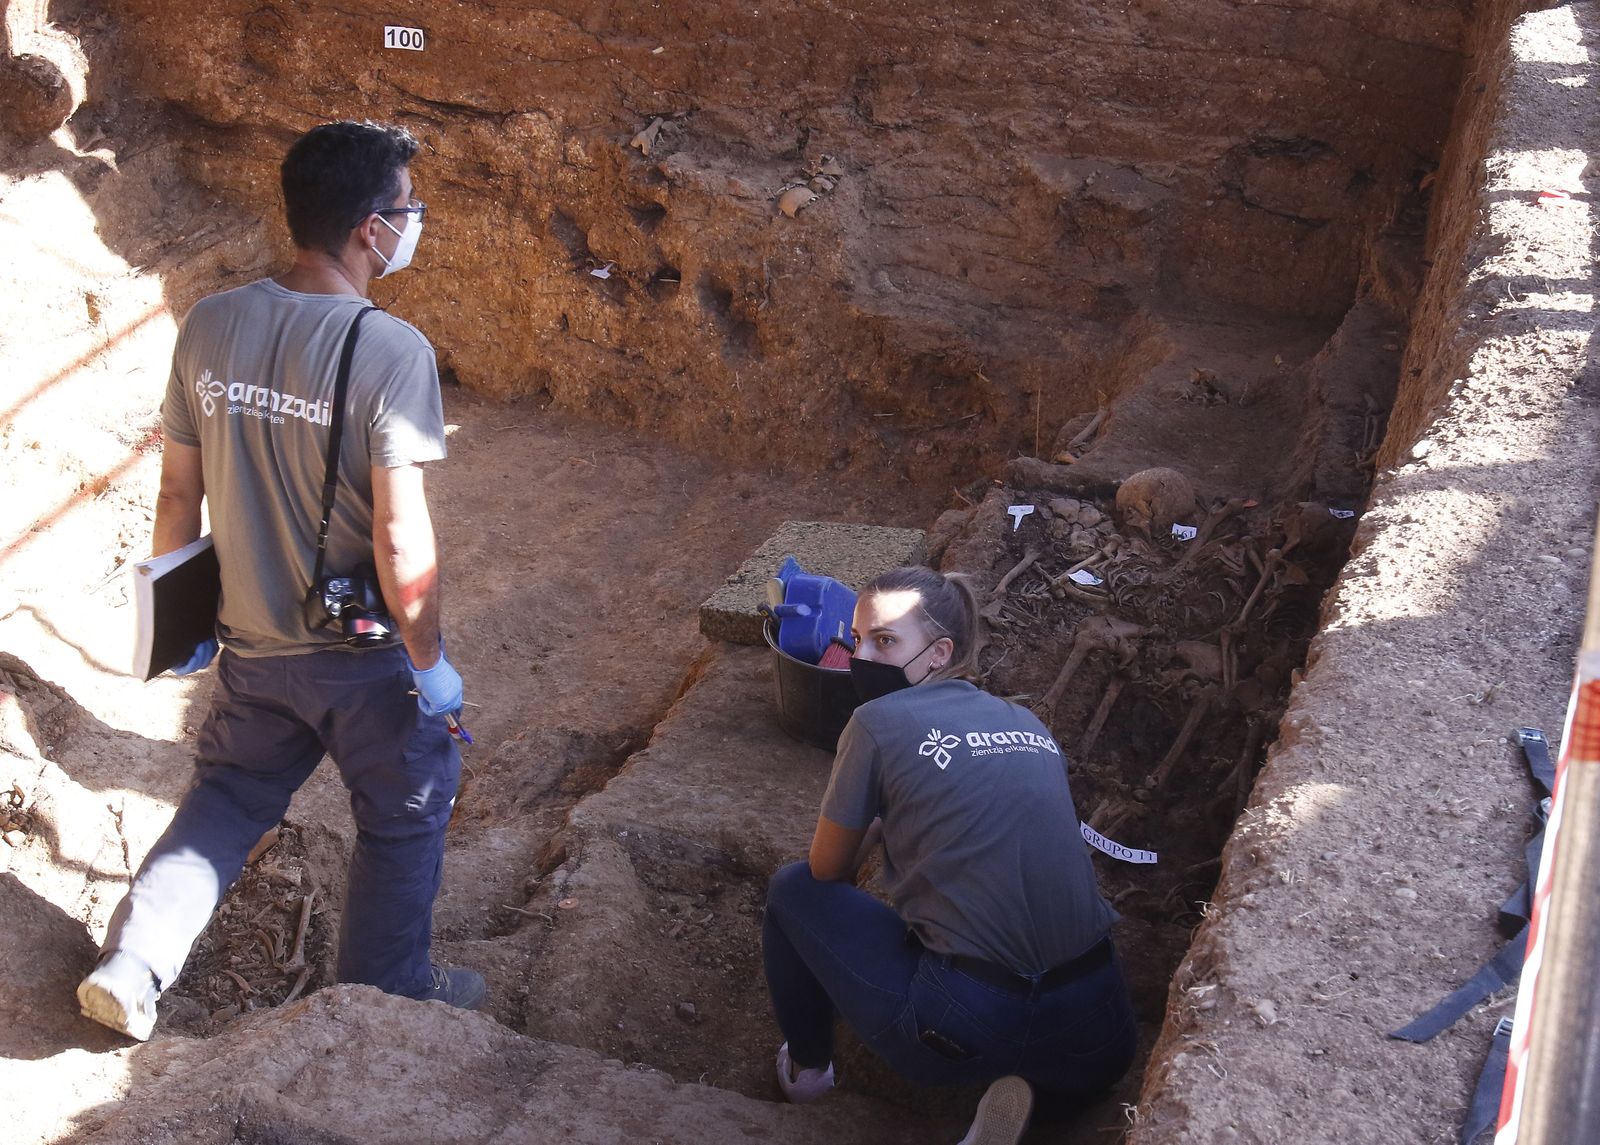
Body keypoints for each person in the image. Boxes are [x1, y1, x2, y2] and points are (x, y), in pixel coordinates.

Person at [76, 120, 482, 1041]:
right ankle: (384, 1000)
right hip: (360, 657)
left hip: (249, 637)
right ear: (371, 229)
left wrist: (180, 629)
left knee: (228, 797)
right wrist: (432, 662)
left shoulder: (211, 323)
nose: (414, 222)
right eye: (409, 208)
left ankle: (134, 963)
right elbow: (399, 534)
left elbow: (179, 489)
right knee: (409, 802)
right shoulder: (391, 352)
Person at [761, 566, 1136, 1143]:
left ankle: (807, 1071)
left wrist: (880, 812)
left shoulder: (875, 722)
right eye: (858, 639)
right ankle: (1033, 1103)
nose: (863, 656)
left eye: (885, 641)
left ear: (938, 652)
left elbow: (826, 871)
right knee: (1067, 1067)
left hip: (963, 1026)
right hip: (1099, 1026)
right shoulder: (1028, 722)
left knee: (792, 890)